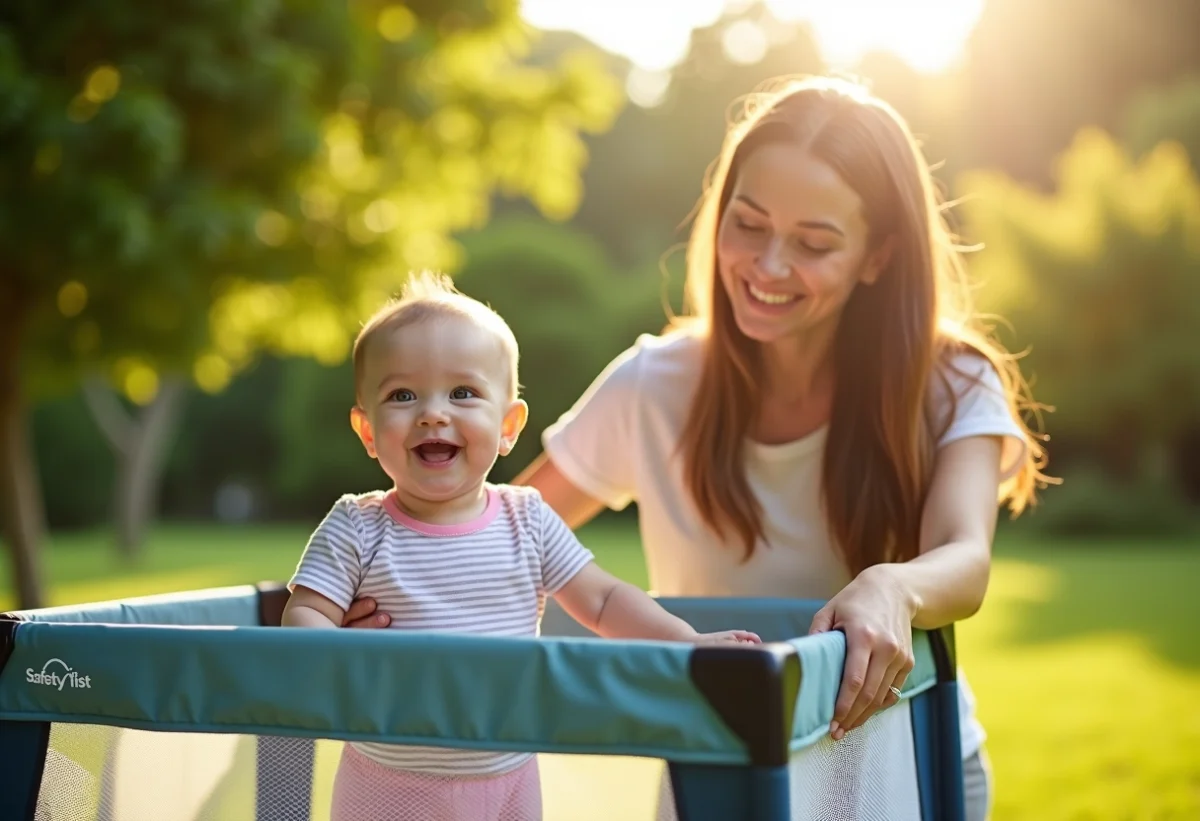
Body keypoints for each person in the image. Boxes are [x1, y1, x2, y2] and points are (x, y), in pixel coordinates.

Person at [343, 75, 1050, 821]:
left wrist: (892, 586)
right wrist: (390, 595)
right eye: (747, 224)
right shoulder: (655, 383)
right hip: (716, 772)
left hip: (900, 762)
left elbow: (963, 559)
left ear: (878, 256)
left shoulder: (950, 381)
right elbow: (487, 528)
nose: (767, 266)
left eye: (812, 243)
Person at [280, 273, 760, 821]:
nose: (433, 413)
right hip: (388, 779)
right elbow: (307, 613)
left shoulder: (526, 519)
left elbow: (602, 600)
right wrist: (337, 653)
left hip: (508, 773)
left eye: (463, 393)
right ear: (368, 431)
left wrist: (688, 643)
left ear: (508, 425)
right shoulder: (356, 526)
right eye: (402, 395)